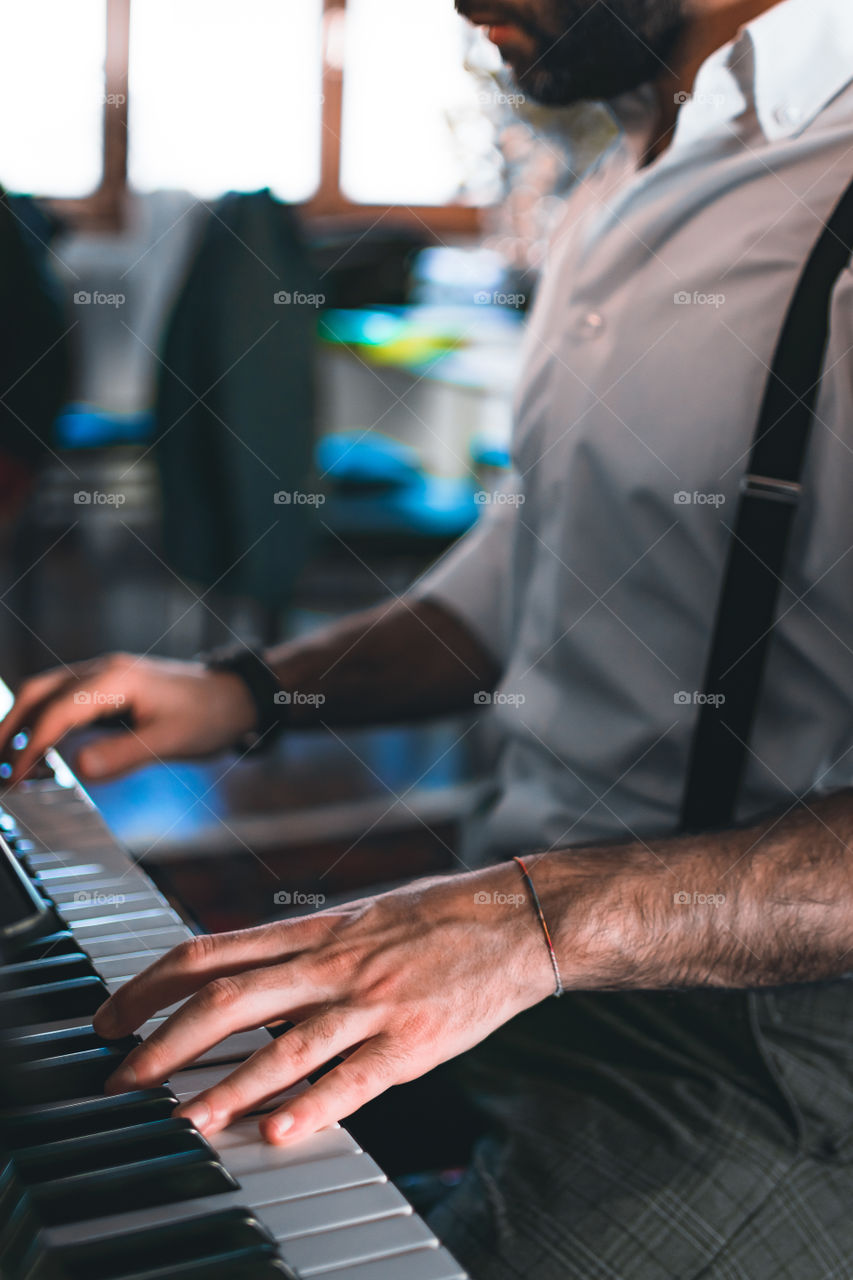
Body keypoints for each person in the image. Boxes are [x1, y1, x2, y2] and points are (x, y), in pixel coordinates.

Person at [5, 0, 853, 1274]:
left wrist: (530, 925)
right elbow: (526, 572)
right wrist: (246, 693)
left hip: (756, 1042)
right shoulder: (628, 171)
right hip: (509, 924)